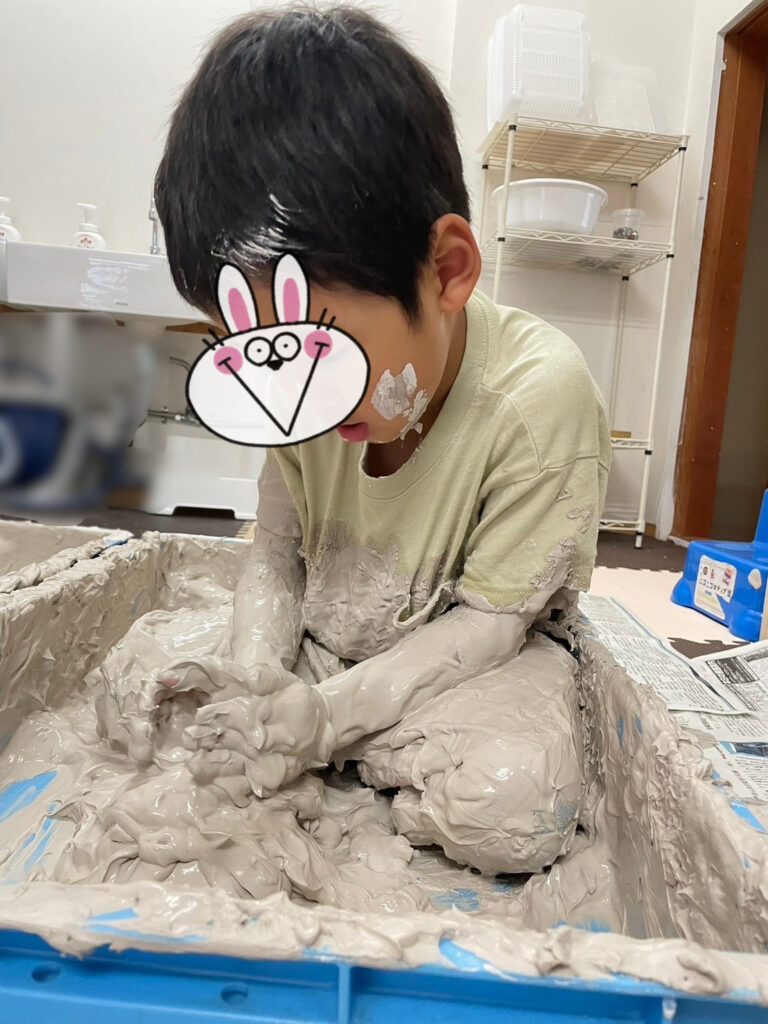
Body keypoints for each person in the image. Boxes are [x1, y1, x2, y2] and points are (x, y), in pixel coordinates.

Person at [154, 5, 611, 874]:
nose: (290, 394)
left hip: (469, 662)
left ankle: (345, 752)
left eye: (315, 353)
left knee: (513, 802)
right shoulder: (291, 392)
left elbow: (490, 629)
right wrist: (259, 686)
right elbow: (275, 554)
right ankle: (330, 747)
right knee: (163, 692)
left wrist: (324, 721)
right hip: (330, 635)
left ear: (446, 271)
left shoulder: (538, 399)